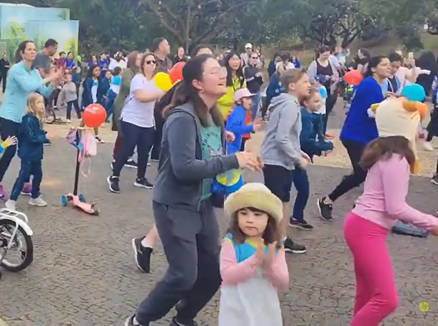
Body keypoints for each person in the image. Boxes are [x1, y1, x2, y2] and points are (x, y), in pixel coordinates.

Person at [125, 54, 262, 326]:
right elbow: (183, 168)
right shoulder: (182, 118)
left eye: (220, 69)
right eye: (214, 71)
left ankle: (183, 317)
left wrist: (236, 160)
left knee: (214, 271)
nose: (222, 74)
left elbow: (212, 158)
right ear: (198, 83)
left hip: (202, 204)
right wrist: (233, 159)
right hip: (174, 205)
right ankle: (140, 319)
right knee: (183, 274)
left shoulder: (214, 116)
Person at [344, 97, 438, 326]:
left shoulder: (385, 151)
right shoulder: (396, 158)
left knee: (366, 295)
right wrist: (432, 223)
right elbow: (395, 208)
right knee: (386, 299)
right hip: (367, 228)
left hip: (360, 224)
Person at [132, 45, 214, 273]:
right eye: (205, 58)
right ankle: (179, 274)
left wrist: (216, 131)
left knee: (185, 210)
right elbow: (169, 111)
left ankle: (149, 244)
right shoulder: (183, 94)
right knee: (176, 206)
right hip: (181, 152)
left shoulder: (212, 90)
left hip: (204, 149)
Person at [317, 56, 391, 221]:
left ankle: (362, 205)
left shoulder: (375, 85)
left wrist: (386, 99)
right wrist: (391, 104)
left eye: (389, 65)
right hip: (355, 136)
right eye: (384, 64)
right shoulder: (370, 84)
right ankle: (328, 200)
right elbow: (371, 112)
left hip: (366, 136)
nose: (389, 67)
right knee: (362, 173)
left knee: (372, 171)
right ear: (373, 68)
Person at [0, 40, 59, 197]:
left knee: (27, 150)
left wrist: (55, 82)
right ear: (22, 53)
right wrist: (49, 77)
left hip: (22, 117)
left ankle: (24, 183)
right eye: (29, 49)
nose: (32, 52)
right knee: (10, 149)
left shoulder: (34, 73)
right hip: (8, 116)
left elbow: (43, 92)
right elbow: (27, 87)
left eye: (34, 49)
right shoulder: (16, 70)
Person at [219, 183, 288, 325]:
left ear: (269, 219)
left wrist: (269, 267)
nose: (250, 220)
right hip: (236, 307)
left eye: (257, 215)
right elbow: (227, 275)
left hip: (264, 307)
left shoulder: (275, 246)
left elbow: (283, 282)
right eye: (244, 214)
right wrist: (254, 261)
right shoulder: (232, 242)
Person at [260, 68, 311, 254]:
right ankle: (273, 241)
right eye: (305, 81)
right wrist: (297, 158)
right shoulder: (289, 105)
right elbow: (281, 138)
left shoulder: (287, 103)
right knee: (276, 203)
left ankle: (280, 238)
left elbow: (287, 136)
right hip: (276, 160)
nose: (309, 84)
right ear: (292, 85)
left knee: (282, 201)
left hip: (279, 159)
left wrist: (299, 151)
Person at [107, 52, 164, 194]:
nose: (152, 65)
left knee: (144, 152)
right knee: (127, 148)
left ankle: (140, 178)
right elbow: (140, 97)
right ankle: (114, 176)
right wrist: (159, 94)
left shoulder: (157, 81)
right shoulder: (138, 79)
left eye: (154, 62)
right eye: (148, 62)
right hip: (131, 119)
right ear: (143, 65)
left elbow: (159, 100)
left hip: (147, 121)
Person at [291, 89, 333, 231]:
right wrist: (324, 146)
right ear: (305, 103)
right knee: (302, 189)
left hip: (298, 156)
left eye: (320, 100)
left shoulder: (312, 116)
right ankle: (295, 217)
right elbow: (305, 140)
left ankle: (296, 217)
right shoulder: (306, 117)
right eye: (315, 101)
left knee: (301, 189)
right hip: (294, 158)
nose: (319, 103)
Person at [6, 93, 49, 210]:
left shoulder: (36, 120)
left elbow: (37, 135)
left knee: (38, 175)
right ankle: (12, 200)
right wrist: (45, 137)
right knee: (23, 176)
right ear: (31, 105)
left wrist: (45, 137)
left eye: (42, 102)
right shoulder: (28, 119)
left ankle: (34, 196)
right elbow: (31, 138)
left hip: (35, 155)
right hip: (28, 154)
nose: (42, 105)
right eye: (39, 102)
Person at [112, 52, 141, 167]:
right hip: (122, 104)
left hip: (133, 105)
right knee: (122, 131)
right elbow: (127, 85)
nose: (140, 60)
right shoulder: (127, 72)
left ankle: (128, 156)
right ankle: (116, 156)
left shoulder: (139, 73)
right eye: (138, 58)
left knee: (131, 131)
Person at [307, 45, 339, 135]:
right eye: (324, 55)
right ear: (320, 54)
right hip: (318, 91)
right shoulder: (314, 64)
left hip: (329, 90)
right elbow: (310, 78)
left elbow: (336, 74)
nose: (326, 57)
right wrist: (320, 80)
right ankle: (315, 131)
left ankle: (323, 131)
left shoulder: (330, 63)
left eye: (328, 55)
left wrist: (333, 78)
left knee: (326, 112)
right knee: (317, 112)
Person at [225, 88, 262, 154]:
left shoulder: (240, 111)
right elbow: (233, 128)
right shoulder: (239, 112)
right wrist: (251, 127)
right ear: (239, 101)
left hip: (232, 147)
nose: (250, 101)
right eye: (247, 99)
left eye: (250, 99)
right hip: (230, 149)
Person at [217, 51, 246, 119]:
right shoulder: (222, 76)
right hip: (221, 114)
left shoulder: (241, 77)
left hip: (236, 114)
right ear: (228, 61)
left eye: (237, 59)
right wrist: (233, 101)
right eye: (233, 59)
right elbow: (217, 95)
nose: (235, 62)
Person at [243, 52, 264, 120]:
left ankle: (251, 125)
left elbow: (260, 83)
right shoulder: (246, 68)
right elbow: (246, 81)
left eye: (256, 58)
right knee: (248, 111)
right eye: (253, 58)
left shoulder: (257, 68)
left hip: (257, 91)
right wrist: (255, 77)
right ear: (249, 58)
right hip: (249, 92)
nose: (255, 59)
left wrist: (261, 78)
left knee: (254, 110)